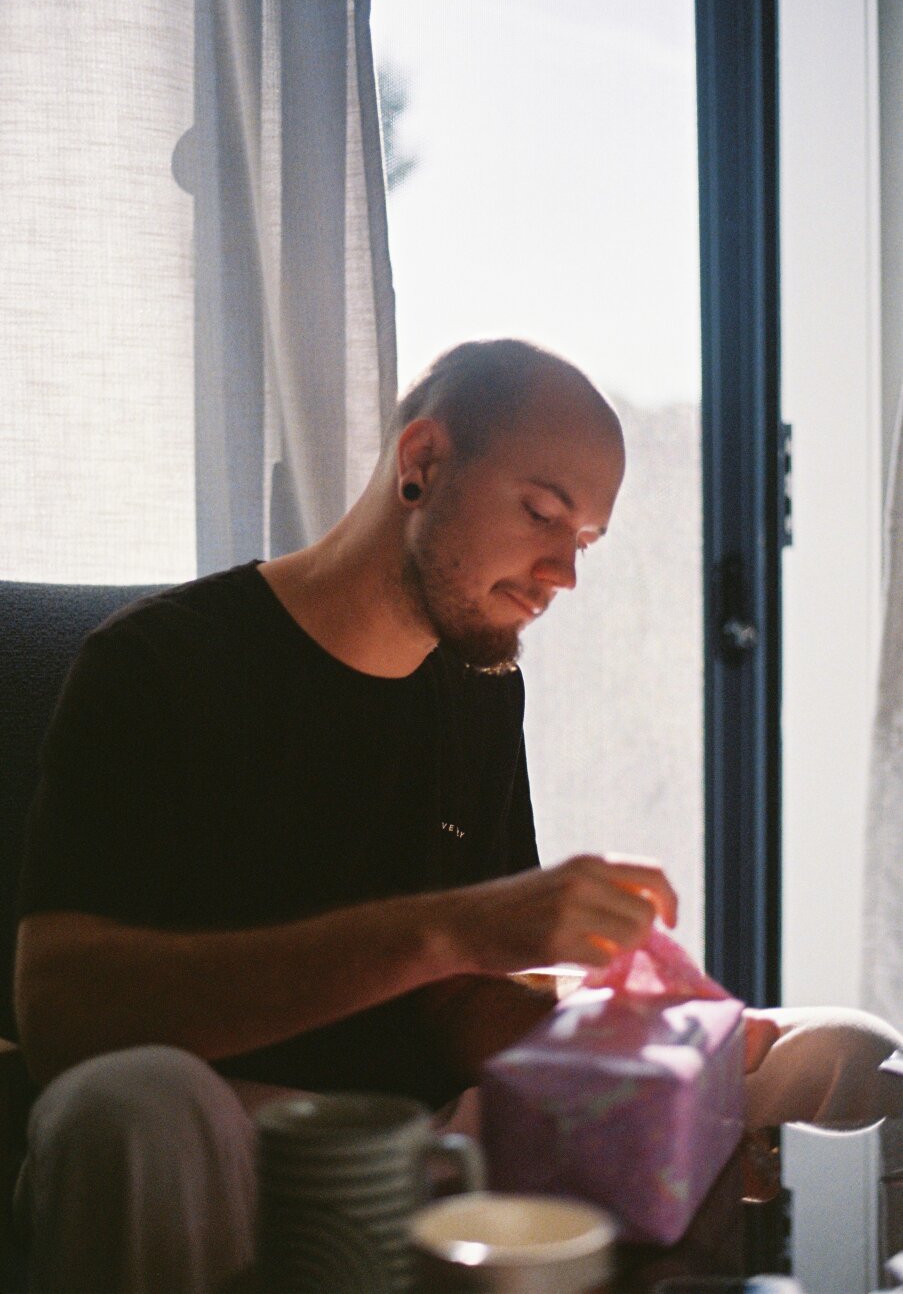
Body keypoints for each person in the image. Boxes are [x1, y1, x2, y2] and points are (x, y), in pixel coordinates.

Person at [12, 339, 903, 1292]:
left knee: (846, 1058)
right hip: (243, 1139)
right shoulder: (159, 668)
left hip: (440, 1139)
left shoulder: (477, 689)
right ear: (423, 462)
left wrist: (637, 1036)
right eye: (542, 515)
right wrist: (451, 929)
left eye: (585, 542)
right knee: (128, 1104)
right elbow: (62, 1014)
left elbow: (455, 1002)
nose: (561, 573)